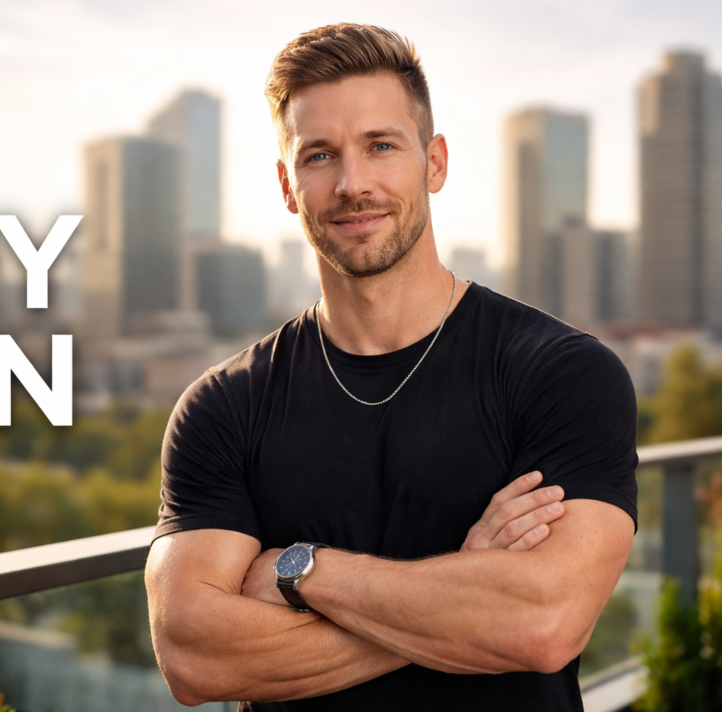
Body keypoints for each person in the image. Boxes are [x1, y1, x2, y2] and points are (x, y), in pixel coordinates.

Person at [145, 23, 637, 712]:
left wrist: (302, 572)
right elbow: (194, 656)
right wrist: (468, 594)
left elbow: (544, 623)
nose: (353, 184)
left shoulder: (561, 374)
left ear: (434, 163)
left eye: (381, 145)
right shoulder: (224, 406)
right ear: (288, 185)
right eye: (320, 156)